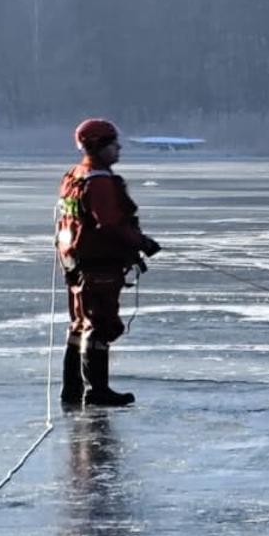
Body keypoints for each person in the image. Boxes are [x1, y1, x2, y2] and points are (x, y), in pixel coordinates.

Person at [56, 119, 161, 407]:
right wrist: (142, 243)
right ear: (99, 146)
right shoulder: (99, 181)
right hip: (97, 262)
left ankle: (72, 388)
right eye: (113, 143)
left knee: (80, 323)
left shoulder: (74, 176)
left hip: (74, 260)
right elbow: (110, 224)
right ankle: (97, 390)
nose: (119, 148)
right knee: (100, 324)